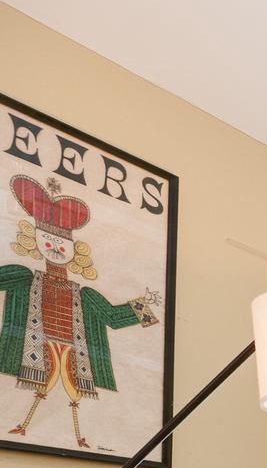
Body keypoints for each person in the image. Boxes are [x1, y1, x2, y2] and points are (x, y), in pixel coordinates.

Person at [2, 175, 159, 450]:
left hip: (74, 349)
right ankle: (25, 426)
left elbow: (112, 316)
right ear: (35, 241)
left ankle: (78, 437)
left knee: (73, 393)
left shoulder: (84, 294)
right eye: (47, 240)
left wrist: (149, 307)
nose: (55, 247)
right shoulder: (25, 278)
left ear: (75, 250)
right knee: (42, 388)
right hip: (40, 343)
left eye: (62, 243)